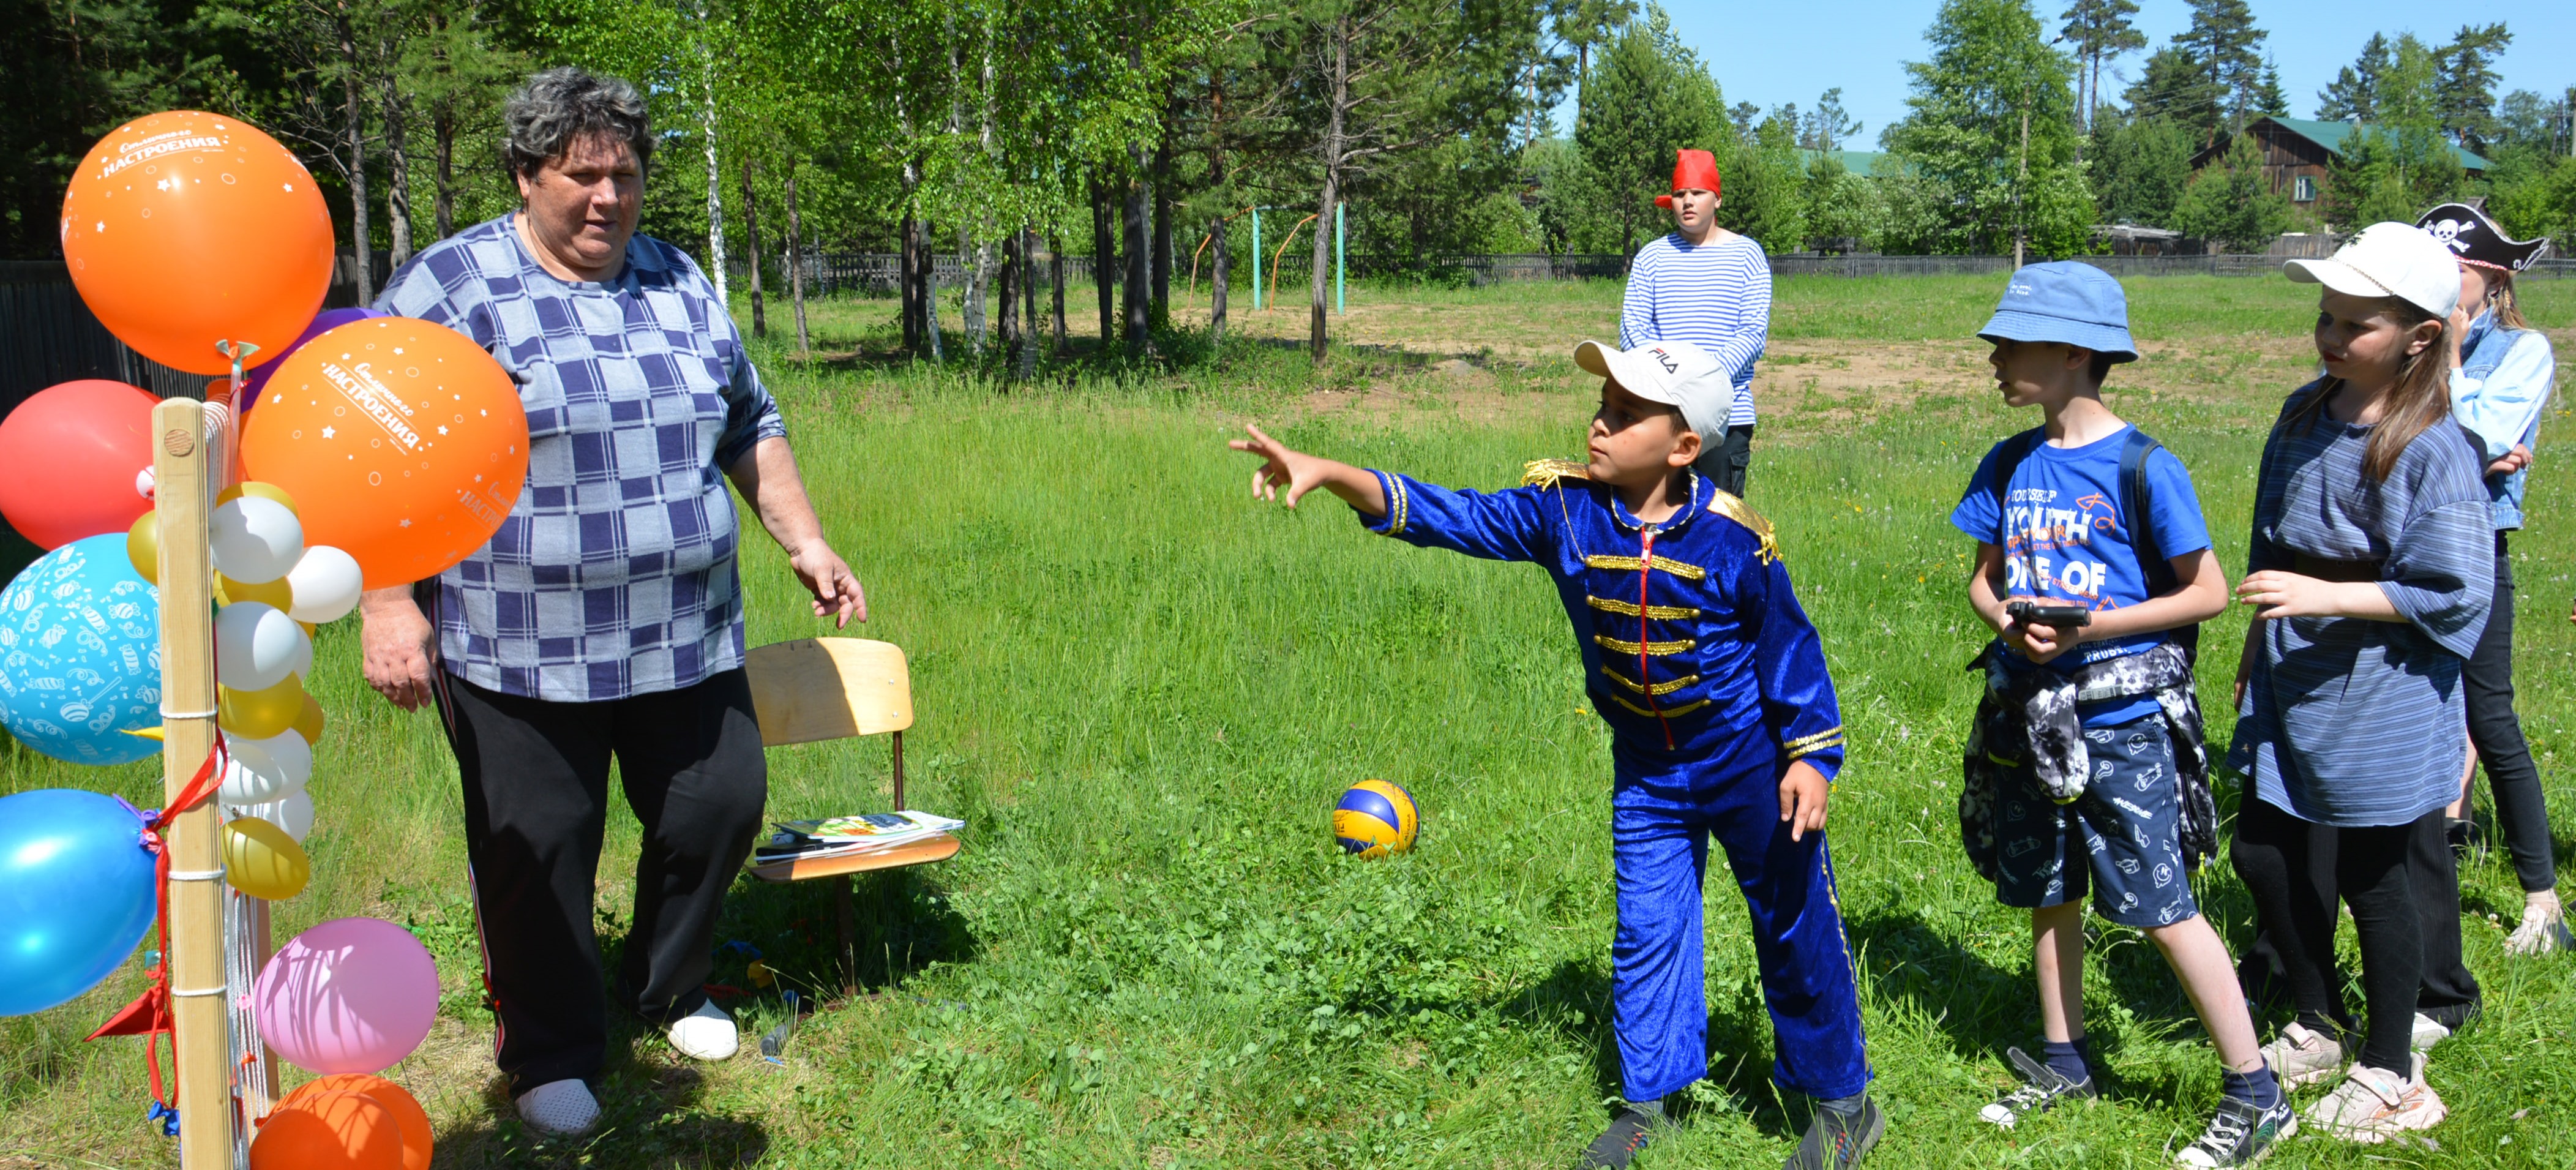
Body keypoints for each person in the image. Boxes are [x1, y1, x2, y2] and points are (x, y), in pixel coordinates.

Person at [1225, 339, 1880, 1170]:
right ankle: (1653, 1105)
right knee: (1649, 930)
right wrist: (1332, 469)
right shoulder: (1563, 510)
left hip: (1749, 763)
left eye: (1625, 412)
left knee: (1792, 922)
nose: (1598, 422)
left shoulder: (1732, 540)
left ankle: (1843, 1103)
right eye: (1602, 403)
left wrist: (1811, 757)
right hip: (1648, 768)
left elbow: (1789, 648)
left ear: (1685, 447)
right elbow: (1452, 515)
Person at [359, 66, 864, 1139]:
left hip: (684, 632)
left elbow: (747, 423)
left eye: (626, 176)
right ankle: (547, 1049)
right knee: (538, 846)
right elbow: (371, 456)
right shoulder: (451, 288)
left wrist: (805, 539)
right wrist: (387, 602)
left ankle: (667, 988)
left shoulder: (676, 277)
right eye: (581, 176)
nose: (607, 200)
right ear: (523, 174)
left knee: (718, 807)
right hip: (516, 641)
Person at [1947, 263, 2285, 1167]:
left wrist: (2091, 624)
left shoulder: (2145, 465)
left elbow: (2208, 591)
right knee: (2049, 886)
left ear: (2071, 353)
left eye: (2011, 342)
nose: (1994, 357)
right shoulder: (2011, 460)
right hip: (2028, 710)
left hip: (2124, 718)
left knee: (2159, 901)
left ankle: (2256, 1088)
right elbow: (1985, 579)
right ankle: (2064, 1059)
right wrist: (2009, 619)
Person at [2226, 223, 2492, 1142]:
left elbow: (2457, 590)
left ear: (2421, 335)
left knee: (2378, 876)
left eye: (2358, 324)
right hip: (2292, 674)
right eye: (2326, 316)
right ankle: (2319, 1018)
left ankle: (2392, 1068)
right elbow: (2271, 543)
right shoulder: (2304, 411)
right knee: (2261, 850)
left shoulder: (2432, 447)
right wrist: (2254, 651)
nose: (2333, 337)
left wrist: (2326, 592)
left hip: (2381, 688)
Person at [2415, 202, 2569, 956]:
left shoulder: (2522, 349)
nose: (2439, 281)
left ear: (2492, 277)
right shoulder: (2395, 336)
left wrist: (2447, 370)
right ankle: (2413, 873)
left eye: (2456, 269)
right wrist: (2469, 444)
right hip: (2397, 550)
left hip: (2477, 549)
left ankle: (2541, 900)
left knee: (2489, 715)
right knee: (2409, 711)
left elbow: (2482, 433)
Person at [1618, 148, 1769, 497]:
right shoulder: (1652, 257)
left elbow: (1751, 335)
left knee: (1718, 529)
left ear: (1716, 200)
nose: (1688, 202)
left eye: (1697, 194)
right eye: (1680, 194)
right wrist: (1670, 384)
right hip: (1661, 416)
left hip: (1725, 419)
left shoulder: (1747, 255)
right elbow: (1633, 332)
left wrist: (1700, 381)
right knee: (1656, 520)